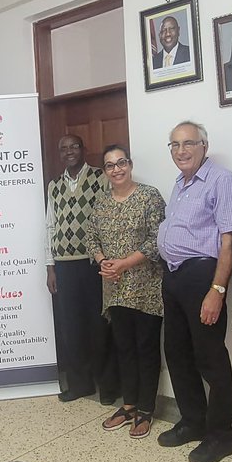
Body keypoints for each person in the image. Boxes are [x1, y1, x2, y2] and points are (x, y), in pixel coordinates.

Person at [156, 121, 232, 462]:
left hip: (203, 277)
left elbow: (228, 241)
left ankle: (222, 435)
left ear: (204, 146)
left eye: (189, 143)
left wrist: (217, 290)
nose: (181, 150)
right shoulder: (180, 184)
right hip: (174, 275)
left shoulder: (222, 181)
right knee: (177, 353)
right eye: (175, 144)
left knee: (210, 357)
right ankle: (192, 421)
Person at [87, 145, 166, 439]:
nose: (117, 169)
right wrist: (103, 262)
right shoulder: (101, 202)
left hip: (145, 286)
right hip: (115, 287)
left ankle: (146, 409)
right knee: (123, 347)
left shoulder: (149, 196)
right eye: (110, 165)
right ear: (105, 172)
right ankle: (129, 404)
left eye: (121, 163)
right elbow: (91, 238)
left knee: (145, 348)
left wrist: (124, 263)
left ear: (130, 165)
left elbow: (157, 239)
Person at [45, 134, 117, 403]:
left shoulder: (101, 178)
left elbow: (109, 218)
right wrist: (50, 266)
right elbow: (50, 226)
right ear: (60, 153)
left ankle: (108, 387)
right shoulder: (54, 185)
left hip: (93, 263)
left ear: (83, 149)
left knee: (100, 325)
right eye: (63, 148)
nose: (69, 151)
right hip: (64, 266)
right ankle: (80, 384)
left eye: (74, 146)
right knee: (71, 328)